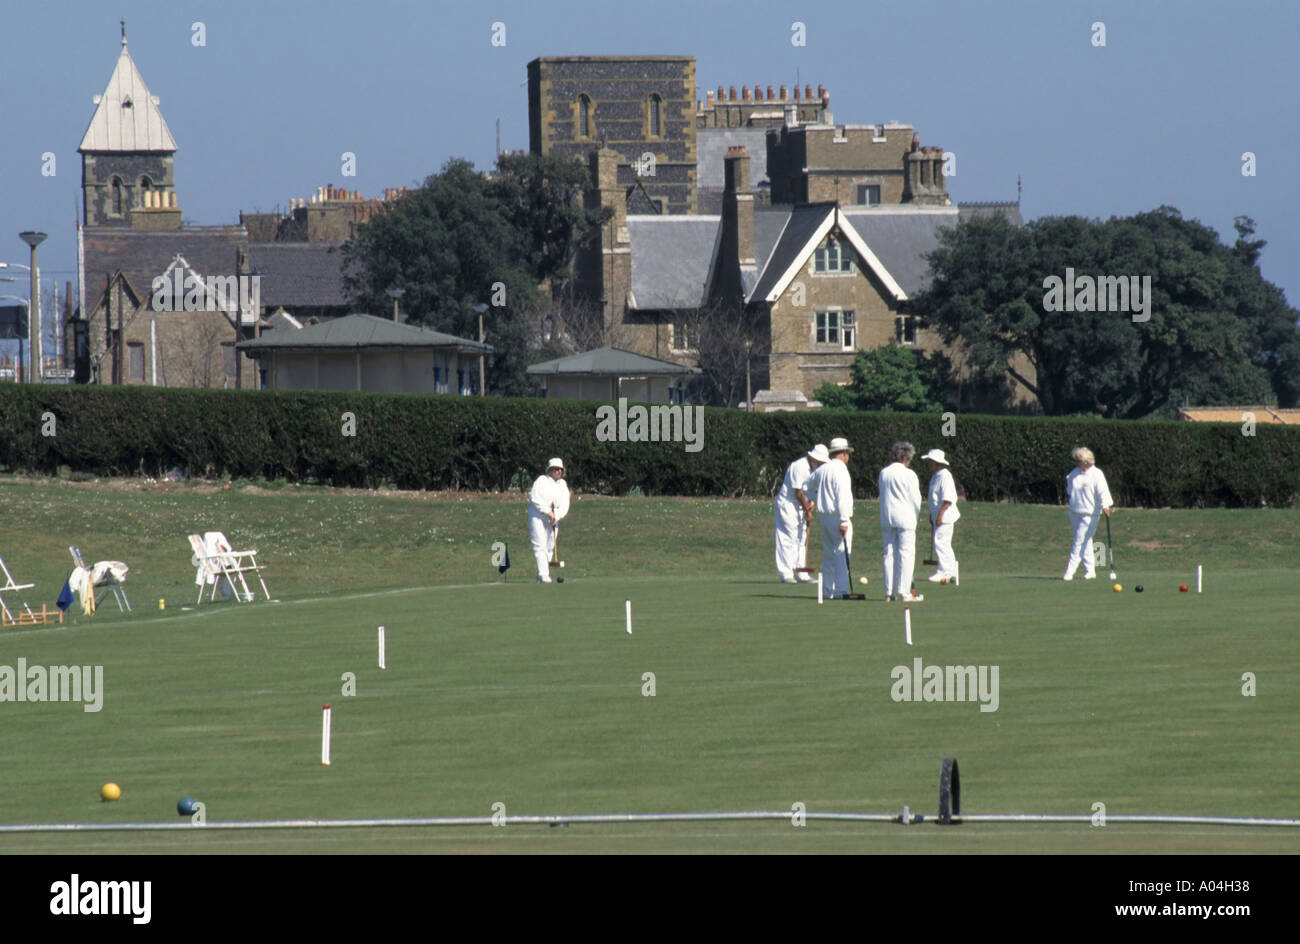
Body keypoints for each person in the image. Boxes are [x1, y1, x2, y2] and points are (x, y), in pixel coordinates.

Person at [775, 444, 829, 583]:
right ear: (812, 458)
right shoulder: (799, 466)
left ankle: (801, 572)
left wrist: (811, 504)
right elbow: (798, 493)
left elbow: (813, 490)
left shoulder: (817, 470)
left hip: (801, 505)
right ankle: (786, 573)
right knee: (789, 537)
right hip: (788, 504)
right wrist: (806, 509)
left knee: (802, 537)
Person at [808, 437, 854, 599]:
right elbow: (842, 497)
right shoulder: (841, 470)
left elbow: (806, 486)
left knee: (829, 554)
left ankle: (827, 591)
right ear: (843, 453)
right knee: (841, 553)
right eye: (847, 452)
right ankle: (842, 590)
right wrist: (843, 520)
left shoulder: (822, 469)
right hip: (837, 517)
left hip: (824, 518)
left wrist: (816, 497)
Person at [878, 441, 924, 602]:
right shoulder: (909, 474)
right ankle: (904, 592)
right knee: (906, 553)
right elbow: (915, 499)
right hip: (905, 517)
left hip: (887, 516)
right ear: (907, 458)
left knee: (888, 554)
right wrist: (915, 517)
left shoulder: (884, 473)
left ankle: (888, 593)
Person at [1063, 446, 1113, 580]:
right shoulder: (1074, 473)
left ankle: (1070, 571)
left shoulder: (1097, 474)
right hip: (1074, 512)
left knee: (1079, 541)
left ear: (1085, 461)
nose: (1076, 463)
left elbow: (1103, 491)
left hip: (1090, 514)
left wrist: (1106, 505)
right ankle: (1090, 571)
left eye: (1078, 460)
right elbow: (1069, 490)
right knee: (1085, 541)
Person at [920, 448, 961, 585]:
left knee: (941, 542)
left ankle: (943, 571)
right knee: (944, 543)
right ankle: (952, 571)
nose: (928, 464)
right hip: (938, 516)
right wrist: (932, 516)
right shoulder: (935, 476)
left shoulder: (945, 476)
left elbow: (948, 499)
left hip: (946, 516)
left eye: (930, 462)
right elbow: (934, 500)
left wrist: (940, 515)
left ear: (936, 463)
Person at [527, 458, 570, 583]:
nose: (558, 471)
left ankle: (541, 573)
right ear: (549, 470)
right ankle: (544, 574)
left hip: (553, 518)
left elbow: (565, 504)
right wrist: (547, 511)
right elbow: (534, 498)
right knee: (539, 544)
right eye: (555, 469)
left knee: (550, 546)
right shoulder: (541, 481)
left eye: (560, 469)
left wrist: (557, 516)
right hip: (537, 516)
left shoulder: (563, 485)